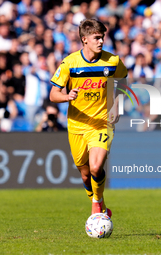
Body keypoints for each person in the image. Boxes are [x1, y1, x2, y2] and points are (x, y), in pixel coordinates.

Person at [49, 19, 127, 217]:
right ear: (84, 39)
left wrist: (116, 104)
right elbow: (53, 94)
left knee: (95, 166)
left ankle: (97, 202)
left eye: (102, 37)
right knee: (85, 174)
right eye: (96, 38)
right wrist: (67, 96)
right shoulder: (70, 63)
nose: (101, 41)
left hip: (101, 123)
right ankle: (98, 201)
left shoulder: (113, 61)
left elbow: (122, 81)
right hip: (76, 125)